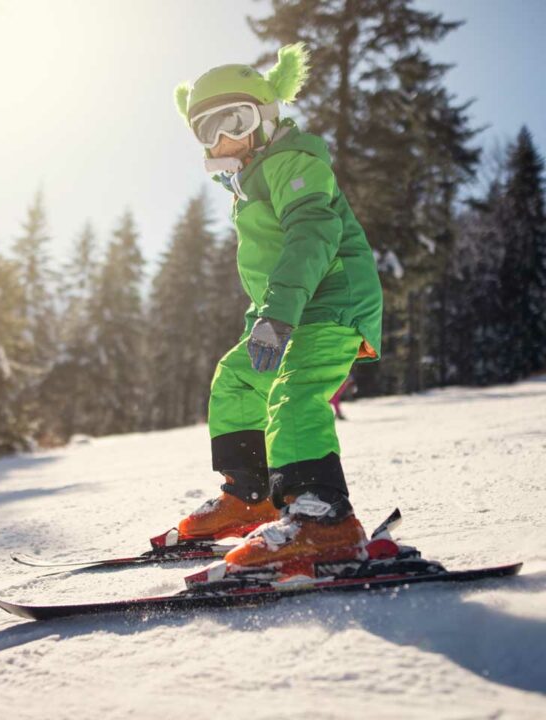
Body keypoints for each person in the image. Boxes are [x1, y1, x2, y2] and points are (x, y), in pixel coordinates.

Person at [171, 43, 383, 574]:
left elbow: (313, 234)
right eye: (206, 130)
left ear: (266, 117)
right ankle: (252, 494)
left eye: (235, 120)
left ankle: (324, 520)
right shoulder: (249, 185)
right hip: (290, 309)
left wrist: (280, 315)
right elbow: (270, 275)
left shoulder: (294, 161)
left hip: (333, 303)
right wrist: (262, 321)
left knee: (293, 396)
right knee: (237, 380)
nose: (222, 139)